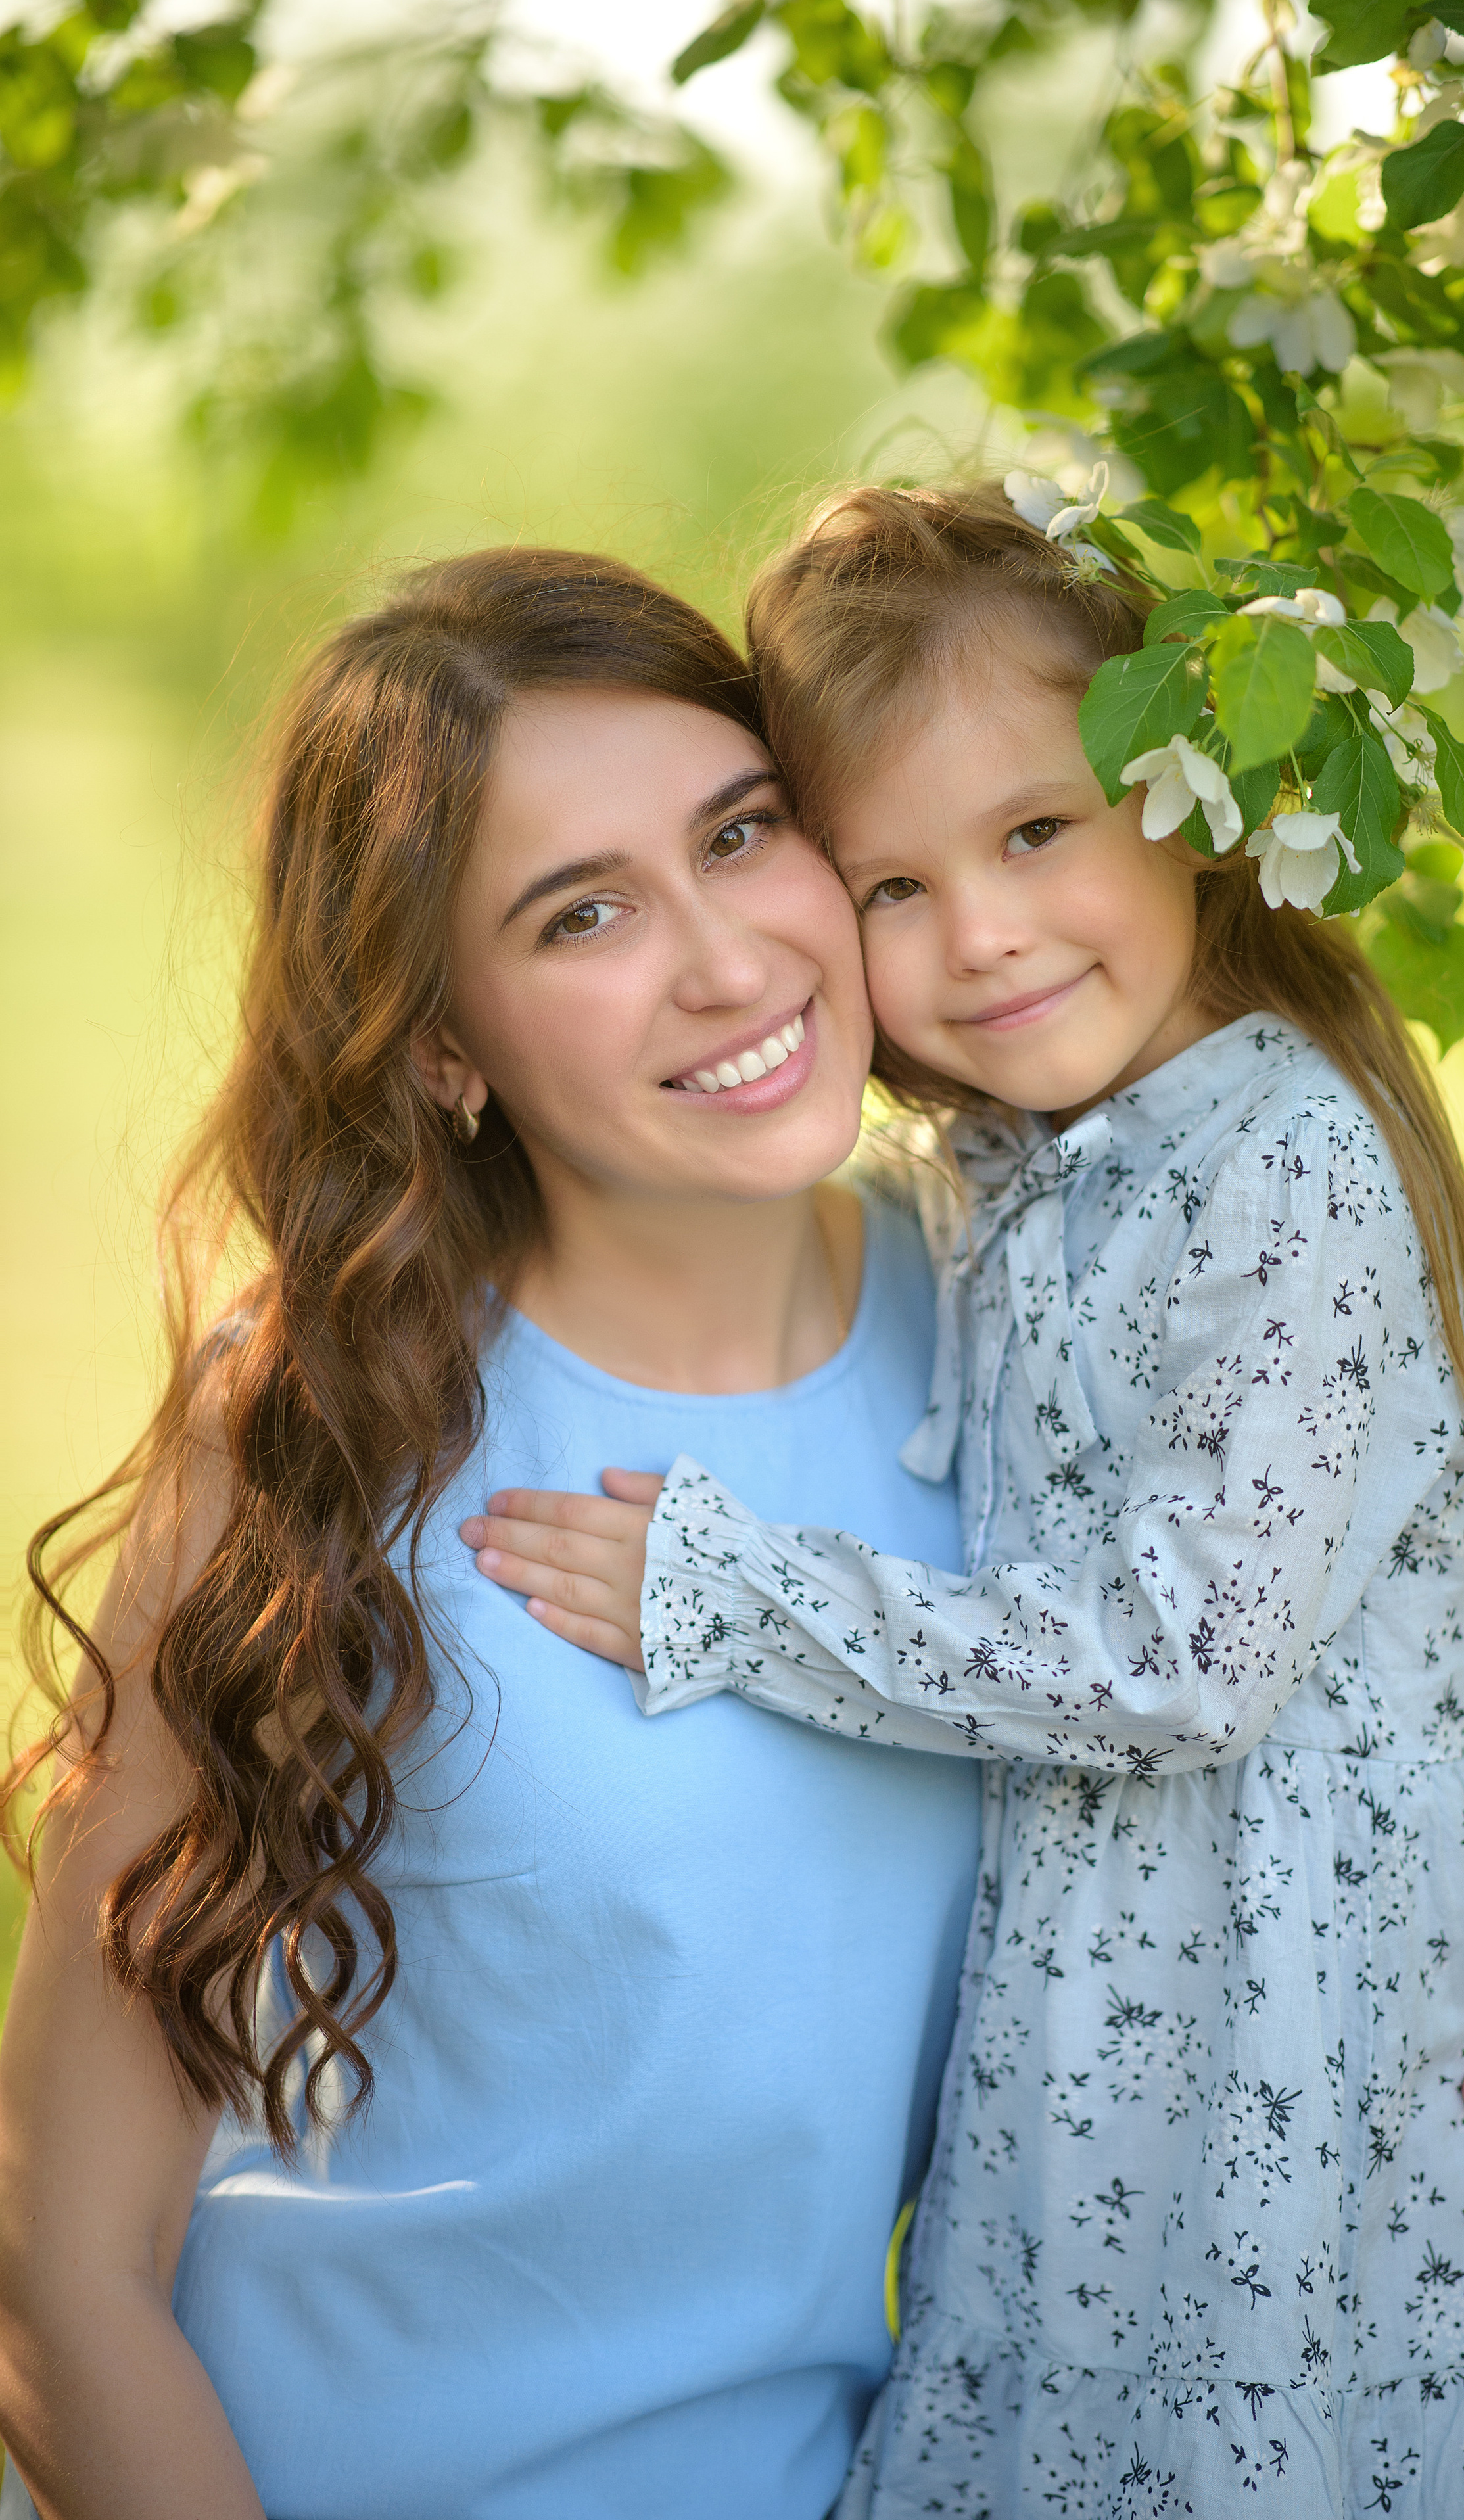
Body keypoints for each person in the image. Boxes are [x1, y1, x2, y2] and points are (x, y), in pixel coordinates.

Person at [471, 485, 1464, 2517]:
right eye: (893, 885)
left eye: (1039, 829)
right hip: (1118, 2052)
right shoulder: (1005, 1173)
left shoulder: (1283, 1149)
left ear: (1194, 807)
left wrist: (742, 1594)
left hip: (1312, 2054)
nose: (988, 935)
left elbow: (1193, 1664)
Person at [0, 548, 987, 2520]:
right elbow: (55, 2262)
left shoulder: (1022, 1333)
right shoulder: (320, 1419)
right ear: (441, 1045)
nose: (726, 961)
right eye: (583, 913)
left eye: (743, 831)